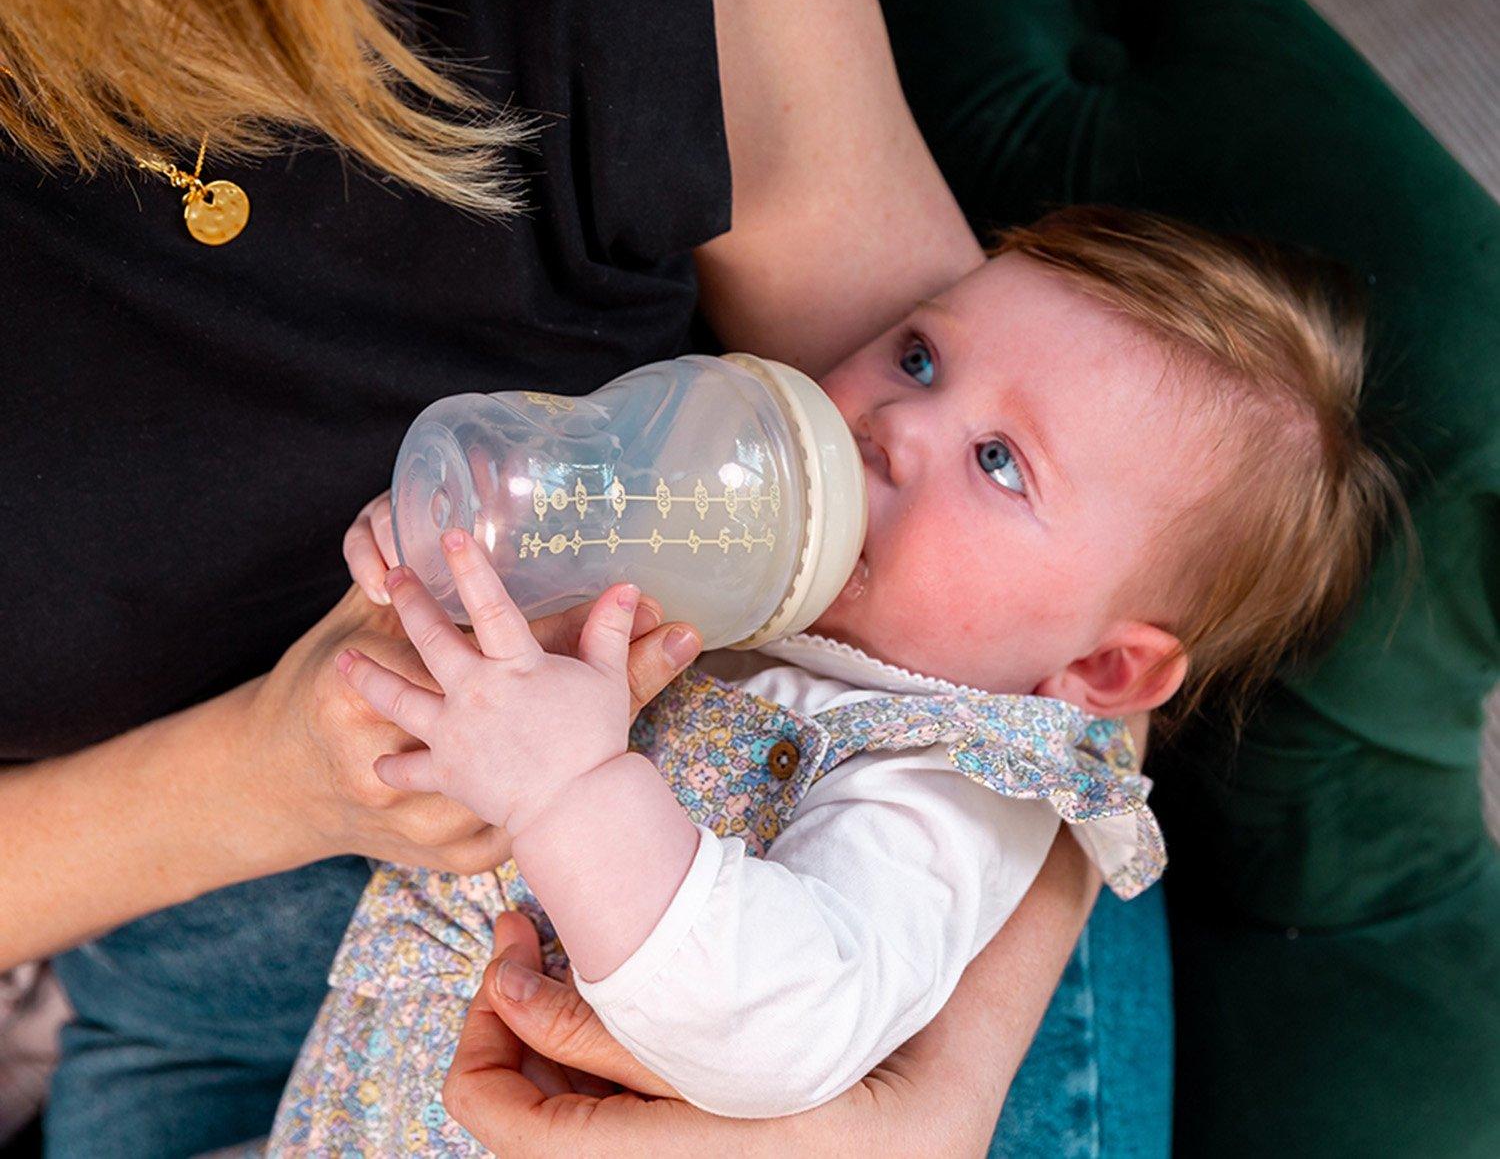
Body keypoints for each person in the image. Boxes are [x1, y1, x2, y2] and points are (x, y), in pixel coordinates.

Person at [0, 0, 1156, 1154]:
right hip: (196, 977)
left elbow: (1073, 586)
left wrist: (932, 1091)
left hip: (811, 895)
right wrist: (273, 775)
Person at [266, 206, 1404, 1149]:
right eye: (919, 356)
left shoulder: (948, 779)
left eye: (1000, 462)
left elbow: (787, 1022)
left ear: (1104, 665)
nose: (897, 425)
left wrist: (566, 793)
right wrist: (476, 549)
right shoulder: (731, 576)